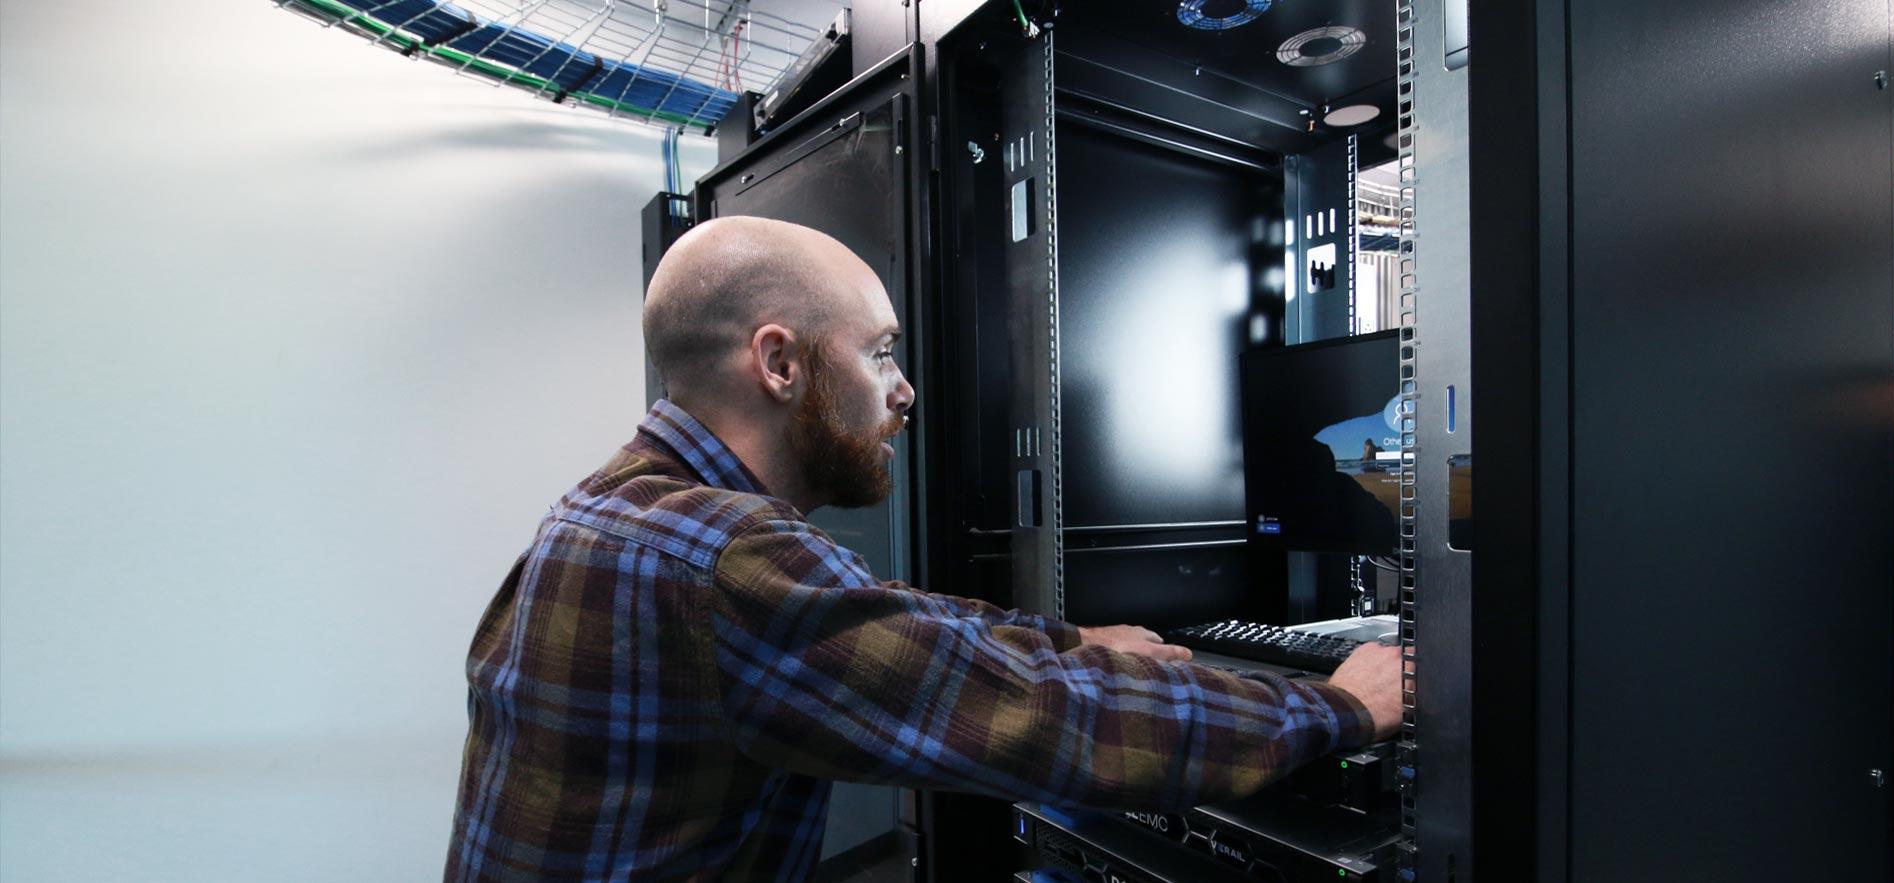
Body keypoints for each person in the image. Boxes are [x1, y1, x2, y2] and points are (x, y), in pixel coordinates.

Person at [444, 217, 1404, 882]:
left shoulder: (613, 509)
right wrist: (1337, 706)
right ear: (779, 362)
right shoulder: (719, 557)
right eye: (881, 351)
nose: (904, 390)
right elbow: (1037, 720)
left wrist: (1073, 640)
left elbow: (893, 628)